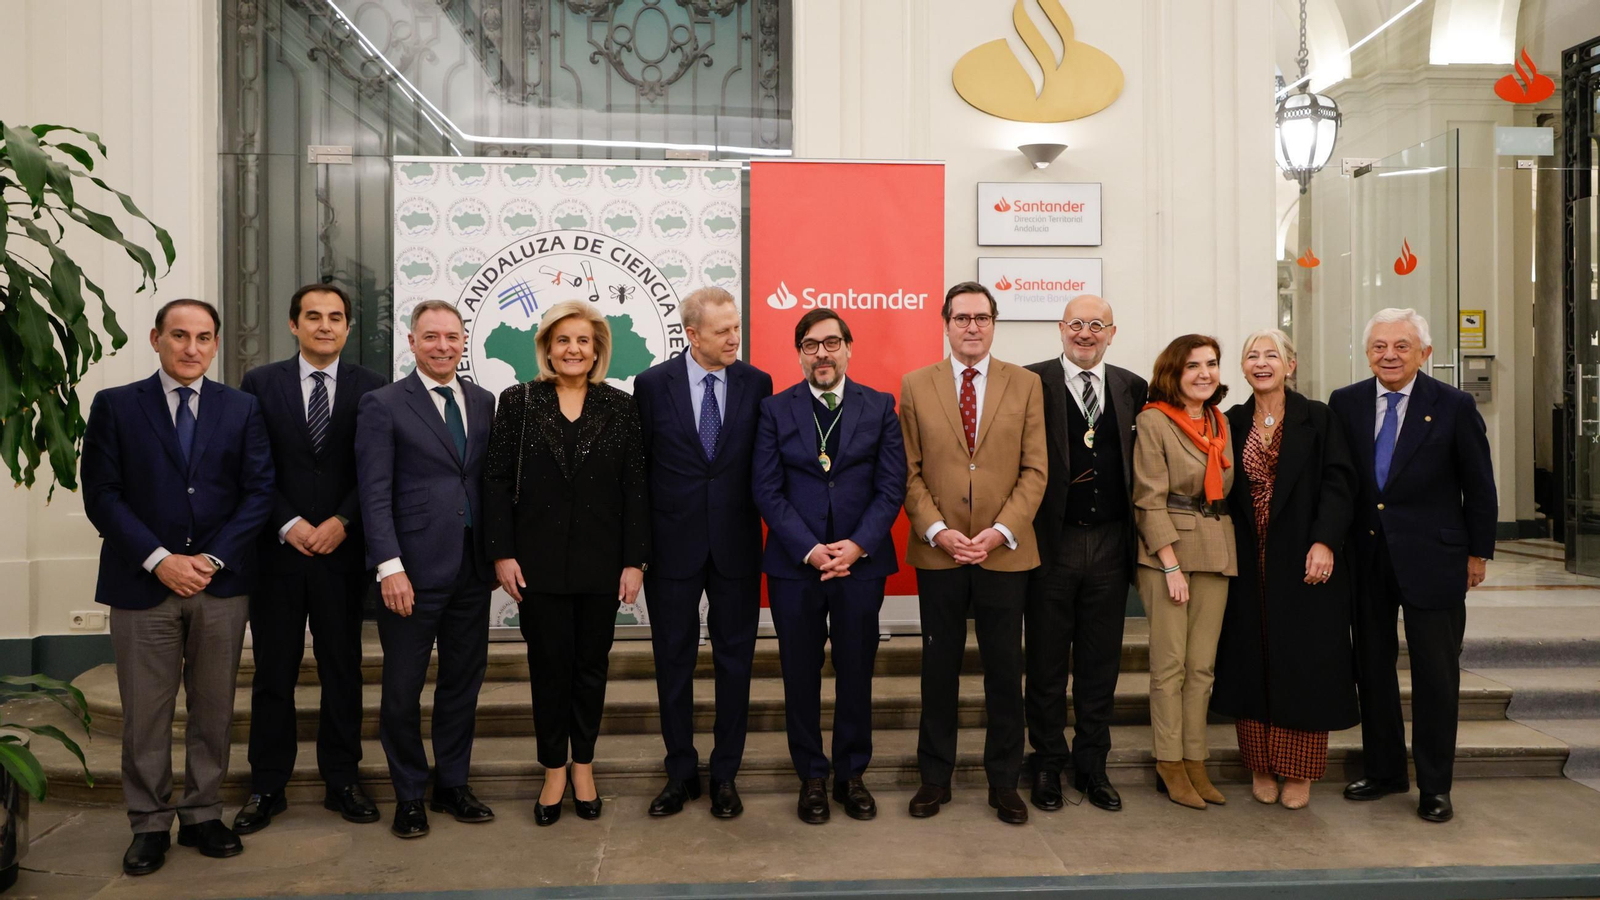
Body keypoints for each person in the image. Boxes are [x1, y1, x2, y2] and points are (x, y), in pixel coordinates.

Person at [81, 298, 275, 876]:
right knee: (146, 713)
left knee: (214, 708)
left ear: (216, 344)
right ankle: (148, 823)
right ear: (156, 338)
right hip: (142, 585)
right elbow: (102, 496)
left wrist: (210, 559)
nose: (192, 348)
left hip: (220, 585)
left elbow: (258, 492)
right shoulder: (116, 406)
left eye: (204, 337)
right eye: (180, 336)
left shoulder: (241, 408)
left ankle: (202, 813)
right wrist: (160, 559)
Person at [483, 301, 649, 827]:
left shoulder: (620, 406)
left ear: (597, 348)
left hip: (602, 565)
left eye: (583, 340)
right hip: (537, 564)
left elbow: (635, 489)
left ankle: (584, 766)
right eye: (562, 340)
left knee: (590, 669)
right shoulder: (518, 401)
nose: (572, 350)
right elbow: (495, 482)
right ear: (547, 348)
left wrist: (634, 562)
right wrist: (502, 553)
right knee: (549, 669)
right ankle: (554, 767)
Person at [1329, 308, 1496, 824]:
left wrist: (1478, 552)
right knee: (1372, 669)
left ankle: (1435, 786)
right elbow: (1341, 482)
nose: (1389, 355)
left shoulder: (1453, 405)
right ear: (1367, 352)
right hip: (1368, 558)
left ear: (1424, 352)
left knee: (1436, 677)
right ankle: (1384, 771)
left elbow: (1480, 485)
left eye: (1401, 346)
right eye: (1379, 346)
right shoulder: (1347, 402)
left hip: (1436, 560)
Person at [234, 284, 388, 835]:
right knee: (273, 672)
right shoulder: (260, 384)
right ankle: (266, 786)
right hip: (278, 552)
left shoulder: (374, 388)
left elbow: (374, 469)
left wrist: (342, 521)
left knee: (342, 670)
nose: (326, 326)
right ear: (293, 325)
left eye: (336, 318)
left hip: (341, 555)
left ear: (349, 328)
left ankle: (342, 780)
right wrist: (288, 521)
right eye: (314, 317)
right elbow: (251, 466)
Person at [751, 309, 907, 824]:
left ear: (848, 348)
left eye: (832, 343)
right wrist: (810, 549)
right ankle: (812, 777)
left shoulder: (880, 406)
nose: (823, 353)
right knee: (799, 675)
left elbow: (891, 486)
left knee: (856, 672)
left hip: (860, 566)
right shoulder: (774, 410)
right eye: (812, 345)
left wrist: (857, 546)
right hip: (796, 568)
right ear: (799, 353)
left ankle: (850, 775)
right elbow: (766, 490)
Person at [899, 281, 1047, 825]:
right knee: (938, 669)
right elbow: (909, 472)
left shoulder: (1026, 384)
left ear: (994, 323)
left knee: (1005, 671)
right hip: (940, 553)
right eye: (961, 318)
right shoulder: (916, 385)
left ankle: (1004, 781)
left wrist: (999, 530)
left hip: (1004, 553)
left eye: (982, 317)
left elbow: (1036, 470)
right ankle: (934, 778)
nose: (972, 327)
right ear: (945, 323)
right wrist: (937, 529)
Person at [355, 300, 498, 839]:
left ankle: (452, 785)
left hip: (470, 570)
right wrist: (389, 567)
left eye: (452, 337)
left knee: (463, 683)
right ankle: (410, 794)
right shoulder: (384, 404)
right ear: (412, 342)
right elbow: (373, 493)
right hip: (409, 572)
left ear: (464, 342)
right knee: (402, 689)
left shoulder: (483, 402)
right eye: (431, 337)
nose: (443, 346)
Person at [633, 287, 774, 818]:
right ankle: (680, 773)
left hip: (737, 546)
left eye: (736, 327)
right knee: (673, 664)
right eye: (722, 331)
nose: (734, 337)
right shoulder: (650, 385)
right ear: (692, 335)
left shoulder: (757, 383)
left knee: (735, 664)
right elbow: (639, 473)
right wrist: (639, 550)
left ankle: (725, 774)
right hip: (671, 549)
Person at [1213, 329, 1358, 810]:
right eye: (1251, 355)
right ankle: (1259, 764)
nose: (1261, 362)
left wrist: (1325, 541)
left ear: (1289, 365)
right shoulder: (1228, 420)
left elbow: (1339, 483)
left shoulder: (1317, 417)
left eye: (1271, 355)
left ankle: (1299, 771)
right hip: (1244, 556)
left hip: (1303, 556)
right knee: (1249, 657)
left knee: (1305, 659)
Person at [1023, 295, 1147, 814]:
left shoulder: (1132, 388)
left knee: (1101, 666)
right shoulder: (1031, 383)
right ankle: (1048, 763)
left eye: (1098, 325)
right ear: (1060, 328)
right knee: (1047, 665)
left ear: (1112, 333)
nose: (1086, 333)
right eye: (1077, 323)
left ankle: (1092, 765)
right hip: (1051, 545)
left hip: (1111, 547)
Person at [1132, 334, 1237, 811]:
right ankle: (1169, 762)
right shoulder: (1154, 420)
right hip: (1167, 552)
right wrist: (1169, 564)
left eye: (1211, 364)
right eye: (1192, 365)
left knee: (1202, 667)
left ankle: (1196, 759)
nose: (1204, 373)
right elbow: (1148, 498)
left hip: (1216, 546)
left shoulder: (1218, 421)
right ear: (1172, 373)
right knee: (1170, 666)